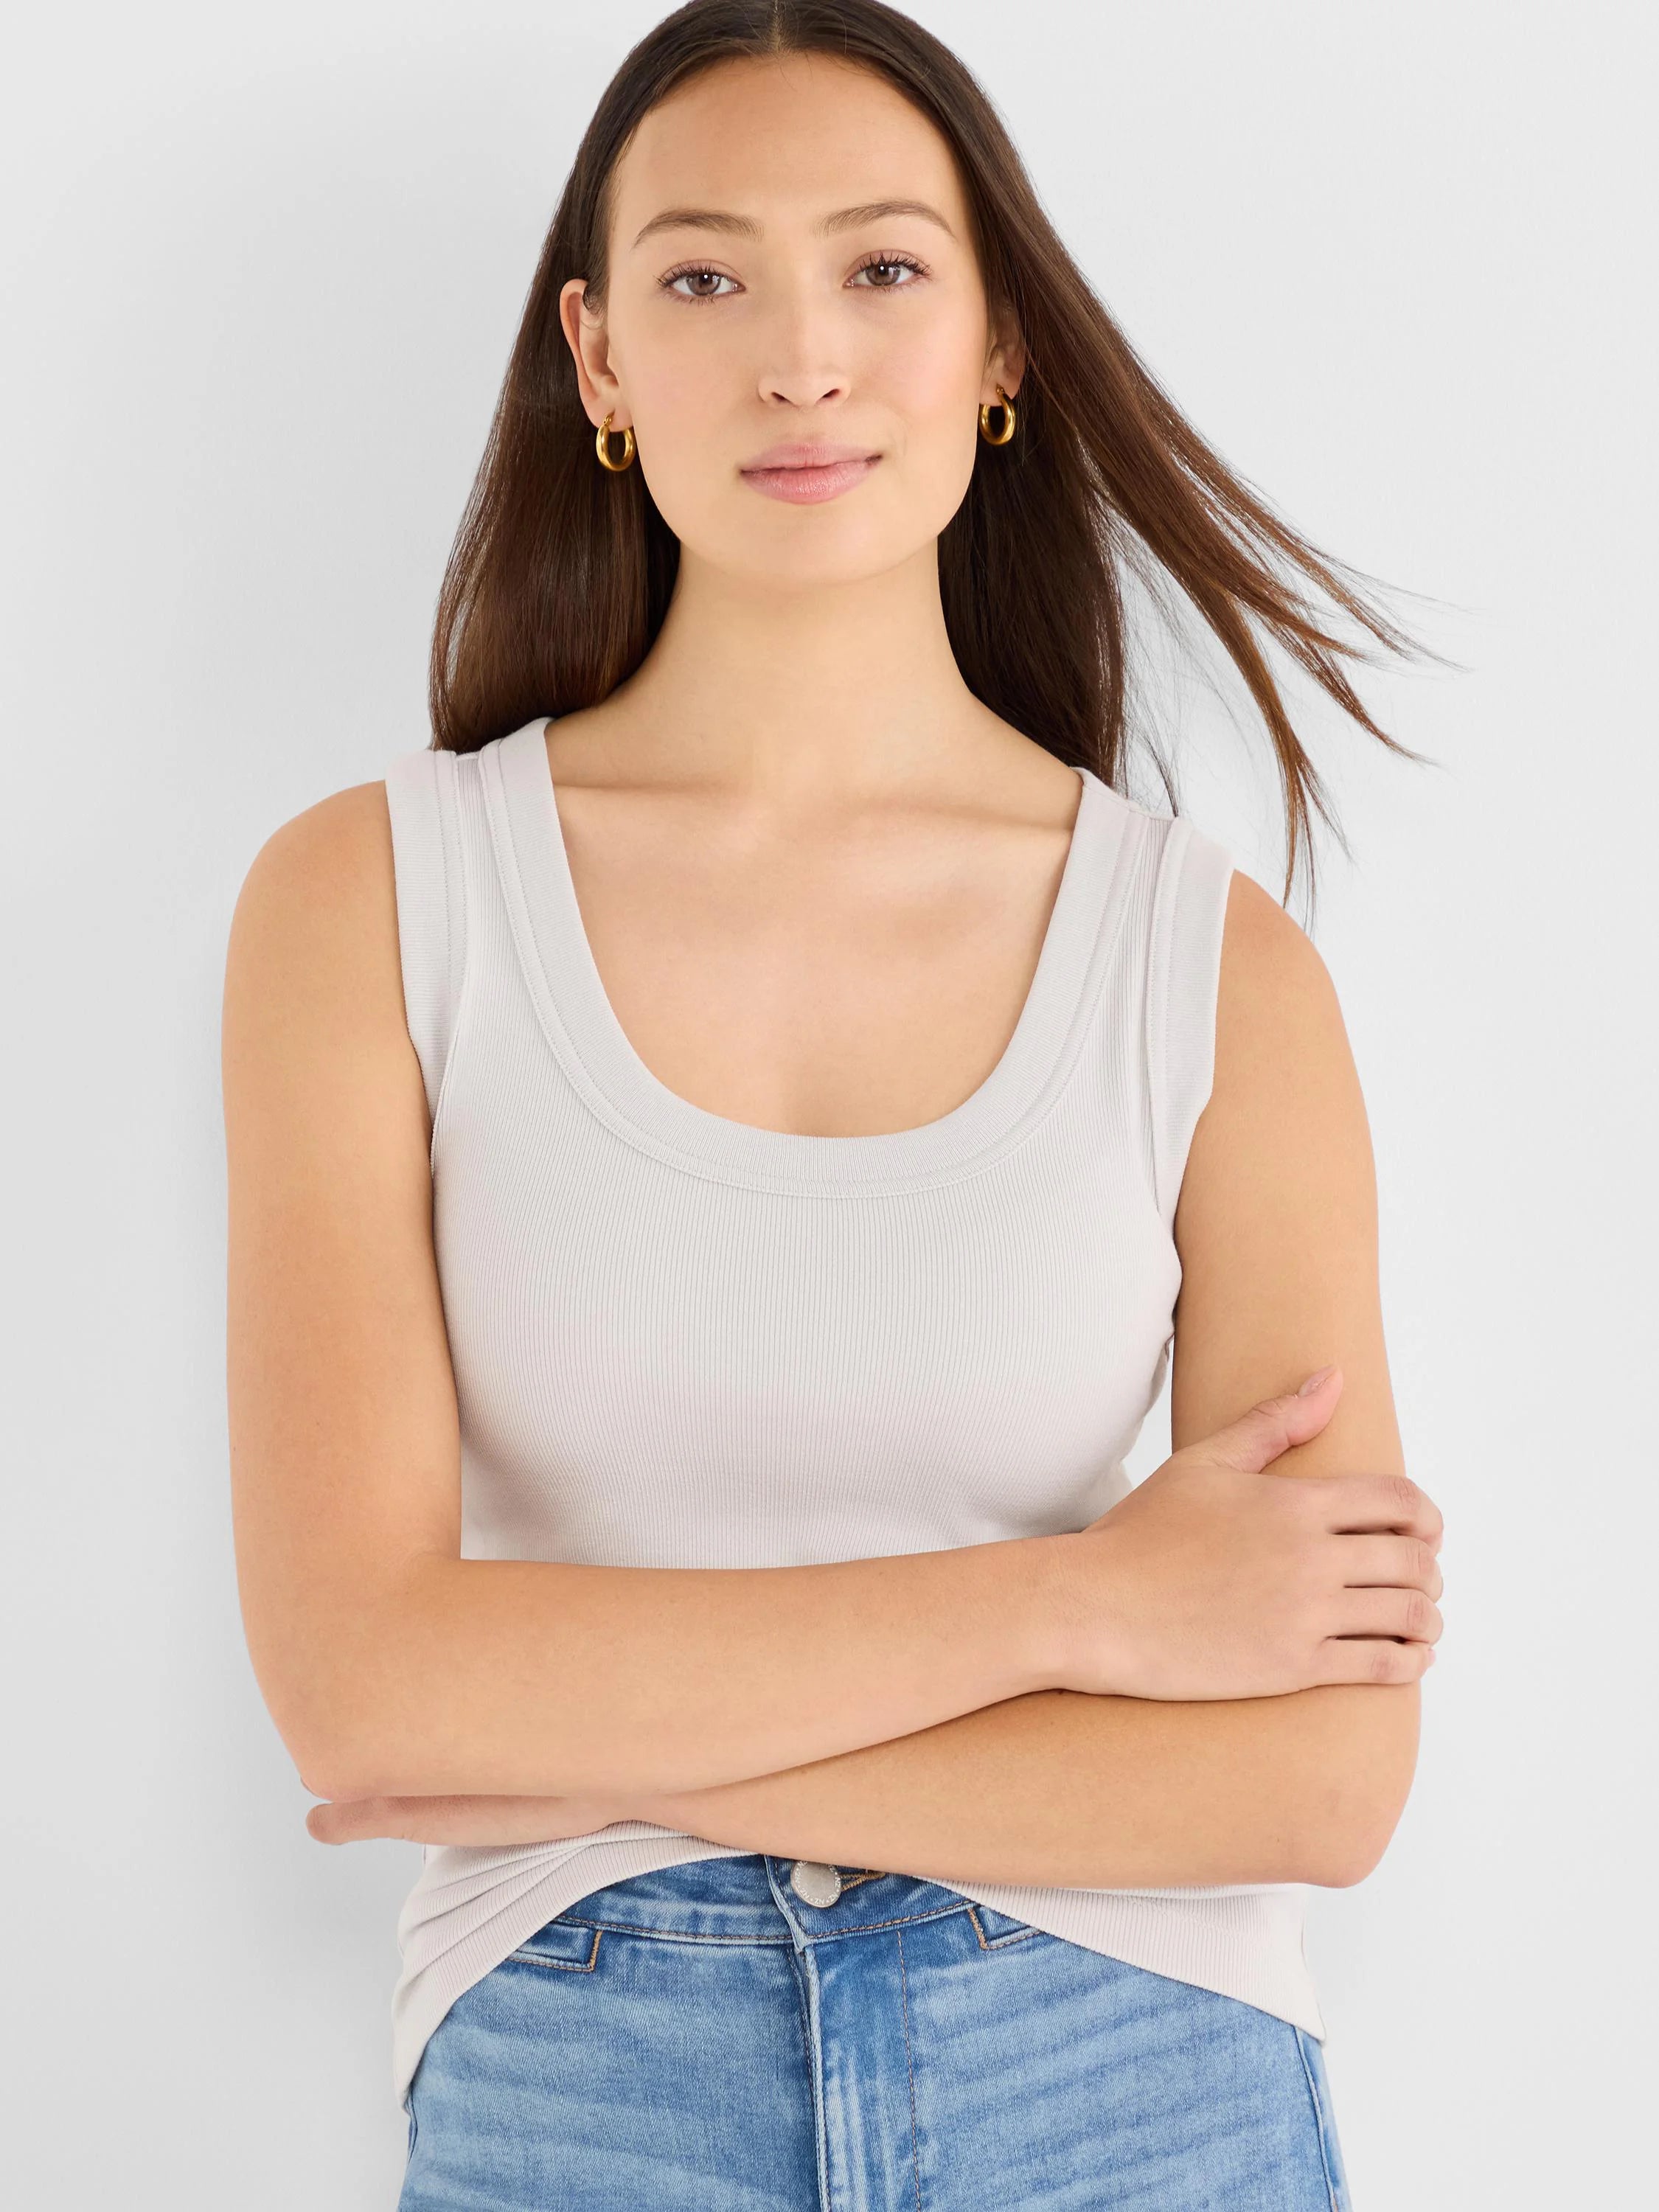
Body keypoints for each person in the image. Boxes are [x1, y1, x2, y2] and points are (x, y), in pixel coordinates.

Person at [220, 4, 1445, 2205]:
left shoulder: (1209, 968)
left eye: (881, 269)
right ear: (597, 358)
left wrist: (588, 1754)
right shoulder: (375, 904)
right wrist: (1083, 1611)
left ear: (997, 346)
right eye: (705, 278)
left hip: (1129, 2072)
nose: (798, 358)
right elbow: (369, 1692)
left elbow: (1318, 1781)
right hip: (586, 2075)